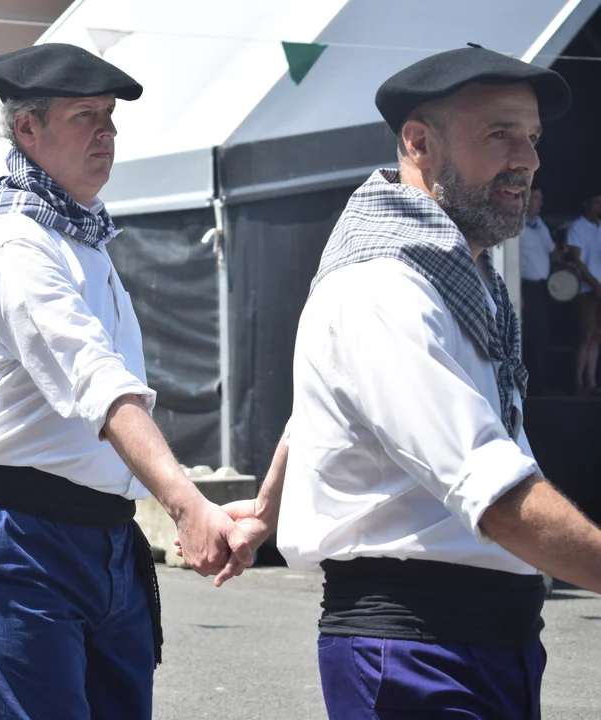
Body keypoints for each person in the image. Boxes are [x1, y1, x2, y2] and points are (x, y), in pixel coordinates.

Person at [191, 45, 601, 720]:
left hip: (482, 642)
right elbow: (495, 496)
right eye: (498, 134)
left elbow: (320, 414)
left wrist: (265, 509)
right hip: (418, 651)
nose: (526, 159)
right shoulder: (384, 286)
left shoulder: (451, 273)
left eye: (531, 138)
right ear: (419, 143)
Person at [0, 43, 253, 720]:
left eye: (109, 116)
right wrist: (186, 504)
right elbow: (99, 383)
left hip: (97, 531)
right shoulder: (16, 242)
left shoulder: (77, 234)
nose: (106, 133)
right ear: (27, 128)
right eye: (85, 116)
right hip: (20, 528)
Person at [518, 186, 560, 391]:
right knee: (525, 335)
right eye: (536, 198)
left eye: (540, 199)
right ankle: (522, 383)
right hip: (524, 288)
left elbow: (552, 252)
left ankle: (538, 382)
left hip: (543, 288)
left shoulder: (540, 225)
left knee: (541, 334)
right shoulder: (517, 227)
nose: (540, 203)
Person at [566, 189, 601, 396]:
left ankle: (592, 381)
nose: (599, 207)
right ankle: (578, 382)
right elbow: (577, 260)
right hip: (586, 290)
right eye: (596, 203)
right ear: (586, 205)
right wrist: (595, 284)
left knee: (597, 337)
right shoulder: (577, 227)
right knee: (586, 335)